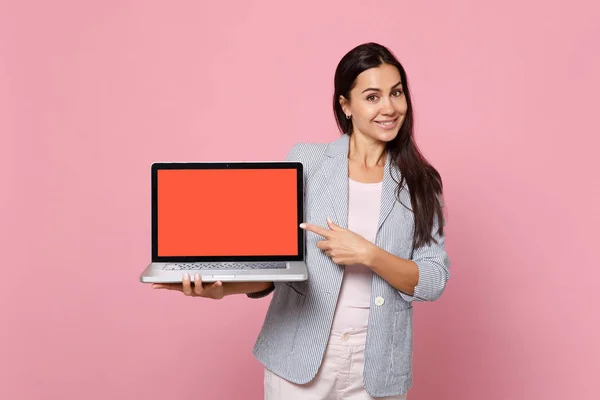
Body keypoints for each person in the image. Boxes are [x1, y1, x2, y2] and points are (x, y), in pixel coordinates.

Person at [152, 42, 451, 399]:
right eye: (372, 97)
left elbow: (433, 279)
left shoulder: (421, 181)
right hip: (300, 359)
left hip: (378, 365)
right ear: (346, 105)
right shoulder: (308, 161)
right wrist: (223, 289)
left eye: (396, 93)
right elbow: (276, 263)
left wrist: (368, 254)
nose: (389, 107)